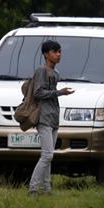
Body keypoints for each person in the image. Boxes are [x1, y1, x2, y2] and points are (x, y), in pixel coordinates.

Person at [29, 40, 74, 195]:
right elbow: (38, 93)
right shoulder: (41, 71)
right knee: (47, 155)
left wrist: (58, 93)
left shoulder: (56, 73)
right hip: (43, 117)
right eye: (55, 52)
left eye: (60, 52)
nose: (58, 55)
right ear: (46, 54)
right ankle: (33, 188)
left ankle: (47, 189)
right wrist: (59, 92)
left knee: (48, 156)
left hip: (54, 117)